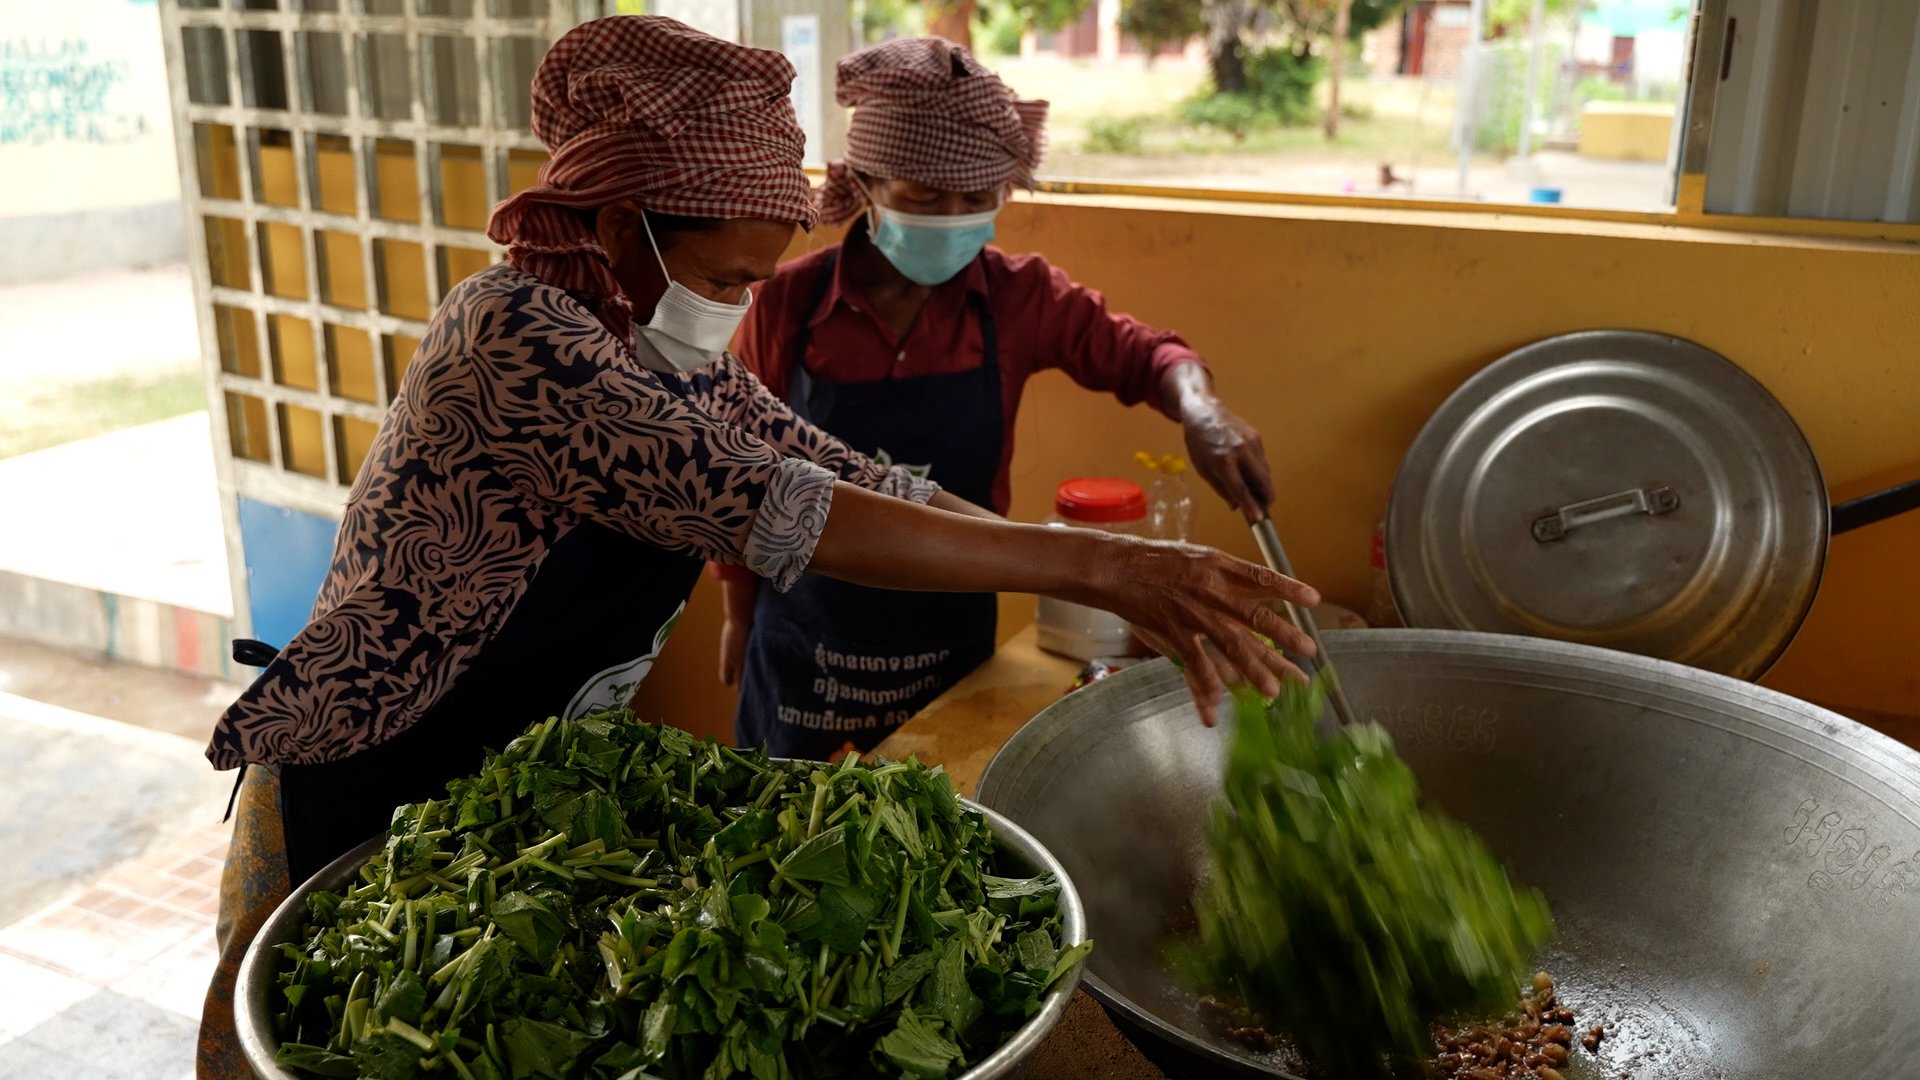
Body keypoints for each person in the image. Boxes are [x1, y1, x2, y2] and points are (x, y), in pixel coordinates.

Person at [194, 16, 1317, 1076]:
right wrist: (1108, 566)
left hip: (513, 797)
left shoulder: (661, 350)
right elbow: (785, 510)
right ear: (605, 222)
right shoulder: (515, 337)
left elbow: (850, 474)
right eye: (726, 279)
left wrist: (1113, 569)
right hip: (372, 775)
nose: (737, 305)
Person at [720, 37, 1278, 758]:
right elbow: (739, 467)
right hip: (807, 652)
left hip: (949, 646)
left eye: (978, 199)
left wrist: (1201, 406)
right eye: (923, 196)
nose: (952, 216)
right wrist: (737, 612)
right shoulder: (786, 304)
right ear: (864, 180)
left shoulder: (1018, 298)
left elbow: (1149, 356)